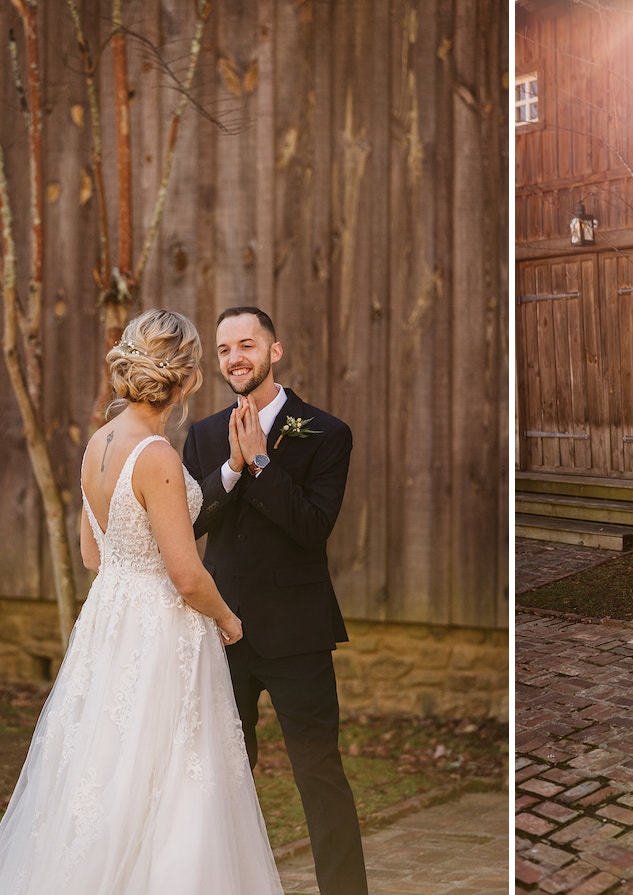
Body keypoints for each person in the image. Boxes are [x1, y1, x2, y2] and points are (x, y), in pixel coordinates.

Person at [0, 309, 283, 894]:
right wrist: (228, 618)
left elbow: (93, 553)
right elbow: (187, 575)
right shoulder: (157, 454)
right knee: (172, 778)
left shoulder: (100, 442)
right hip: (160, 628)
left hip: (109, 624)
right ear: (188, 380)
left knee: (105, 769)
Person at [182, 306, 367, 895]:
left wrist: (262, 460)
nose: (235, 357)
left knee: (320, 775)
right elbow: (186, 525)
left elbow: (313, 528)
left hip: (297, 637)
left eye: (246, 344)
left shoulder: (326, 432)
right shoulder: (205, 435)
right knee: (219, 777)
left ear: (274, 351)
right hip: (222, 631)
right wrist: (232, 469)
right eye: (224, 349)